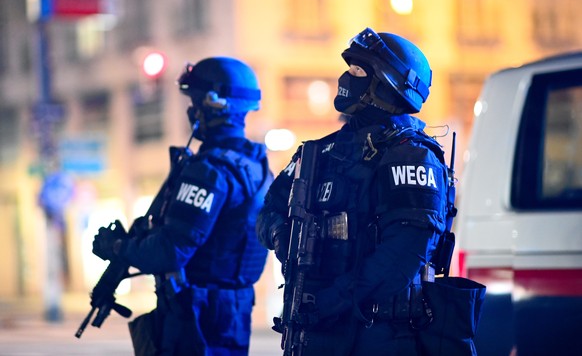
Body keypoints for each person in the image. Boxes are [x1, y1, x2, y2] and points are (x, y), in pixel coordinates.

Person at [256, 28, 452, 355]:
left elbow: (402, 256)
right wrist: (282, 236)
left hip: (380, 335)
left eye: (358, 70)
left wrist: (333, 301)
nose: (347, 77)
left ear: (387, 83)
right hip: (315, 330)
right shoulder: (319, 152)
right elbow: (268, 211)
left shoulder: (411, 154)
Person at [93, 56, 274, 355]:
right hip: (231, 311)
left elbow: (170, 251)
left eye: (196, 101)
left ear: (214, 104)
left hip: (196, 317)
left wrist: (117, 247)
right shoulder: (257, 168)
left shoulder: (209, 171)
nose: (191, 111)